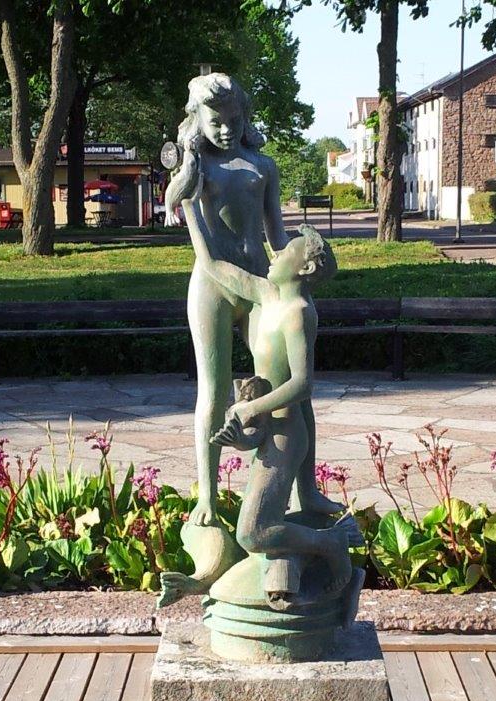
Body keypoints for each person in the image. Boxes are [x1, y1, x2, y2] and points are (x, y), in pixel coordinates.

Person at [165, 73, 341, 527]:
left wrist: (296, 281)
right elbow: (203, 251)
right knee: (213, 391)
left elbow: (276, 236)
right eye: (215, 122)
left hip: (263, 284)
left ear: (245, 116)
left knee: (291, 390)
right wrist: (261, 288)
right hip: (214, 287)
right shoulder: (196, 171)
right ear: (197, 119)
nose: (226, 129)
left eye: (234, 120)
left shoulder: (263, 166)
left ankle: (308, 490)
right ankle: (208, 495)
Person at [182, 194, 359, 595]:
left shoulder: (299, 314)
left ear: (305, 268)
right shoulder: (266, 294)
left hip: (286, 436)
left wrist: (249, 409)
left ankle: (330, 544)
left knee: (252, 533)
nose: (275, 252)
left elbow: (302, 384)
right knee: (257, 528)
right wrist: (189, 208)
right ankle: (296, 554)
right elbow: (212, 266)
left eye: (286, 251)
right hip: (265, 429)